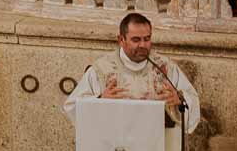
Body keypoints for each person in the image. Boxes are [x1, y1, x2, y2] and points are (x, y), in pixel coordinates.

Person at [62, 9, 200, 129]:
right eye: (136, 40)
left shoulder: (165, 67)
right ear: (121, 40)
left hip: (158, 145)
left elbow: (192, 100)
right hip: (116, 146)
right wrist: (100, 101)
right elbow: (72, 106)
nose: (143, 45)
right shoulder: (102, 69)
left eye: (147, 39)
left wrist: (179, 99)